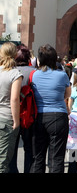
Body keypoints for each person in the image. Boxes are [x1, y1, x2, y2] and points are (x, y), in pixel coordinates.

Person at [30, 44, 71, 173]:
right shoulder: (62, 75)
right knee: (57, 158)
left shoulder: (34, 75)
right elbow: (67, 94)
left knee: (38, 157)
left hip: (39, 116)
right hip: (58, 115)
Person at [9, 45, 34, 173]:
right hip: (29, 114)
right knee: (29, 148)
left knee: (12, 148)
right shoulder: (34, 72)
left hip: (12, 113)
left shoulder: (9, 71)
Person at [0, 42, 23, 173]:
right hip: (6, 118)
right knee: (3, 160)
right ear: (15, 54)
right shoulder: (15, 73)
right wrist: (16, 121)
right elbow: (14, 98)